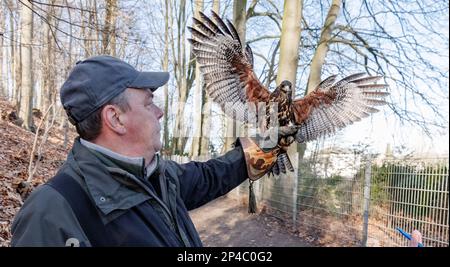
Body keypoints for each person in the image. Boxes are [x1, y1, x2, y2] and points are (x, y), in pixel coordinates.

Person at [11, 55, 297, 246]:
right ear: (115, 118)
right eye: (148, 103)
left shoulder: (159, 175)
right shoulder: (51, 212)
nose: (159, 112)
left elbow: (212, 176)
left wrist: (267, 145)